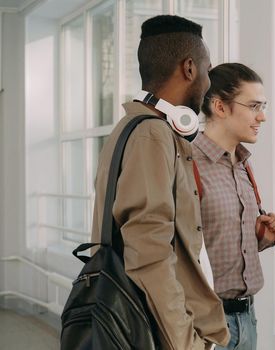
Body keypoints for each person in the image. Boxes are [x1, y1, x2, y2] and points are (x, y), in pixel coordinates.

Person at [91, 15, 229, 349]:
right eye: (207, 70)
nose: (209, 82)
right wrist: (187, 344)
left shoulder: (131, 126)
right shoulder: (153, 134)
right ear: (189, 68)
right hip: (159, 334)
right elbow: (149, 254)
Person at [192, 63, 275, 350]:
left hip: (247, 317)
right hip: (205, 322)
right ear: (219, 107)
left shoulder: (244, 164)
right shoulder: (186, 163)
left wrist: (261, 238)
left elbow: (217, 236)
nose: (263, 116)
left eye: (264, 106)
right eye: (254, 106)